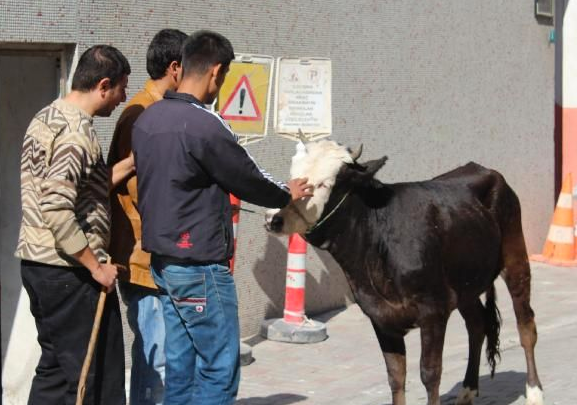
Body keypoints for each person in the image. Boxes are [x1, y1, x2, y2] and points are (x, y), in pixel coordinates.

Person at [131, 30, 313, 405]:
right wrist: (286, 195)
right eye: (225, 78)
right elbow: (248, 176)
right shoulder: (203, 124)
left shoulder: (147, 121)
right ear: (216, 72)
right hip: (199, 266)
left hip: (163, 263)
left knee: (180, 367)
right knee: (218, 366)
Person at [16, 45, 132, 405]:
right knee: (93, 378)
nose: (122, 98)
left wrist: (133, 162)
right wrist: (95, 266)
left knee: (55, 371)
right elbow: (56, 206)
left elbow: (83, 187)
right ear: (103, 85)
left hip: (40, 267)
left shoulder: (47, 116)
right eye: (121, 89)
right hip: (70, 273)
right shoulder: (76, 133)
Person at [107, 28, 187, 405]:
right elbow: (144, 191)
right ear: (175, 68)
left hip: (159, 256)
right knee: (155, 356)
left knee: (164, 354)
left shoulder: (164, 110)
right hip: (142, 258)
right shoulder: (142, 114)